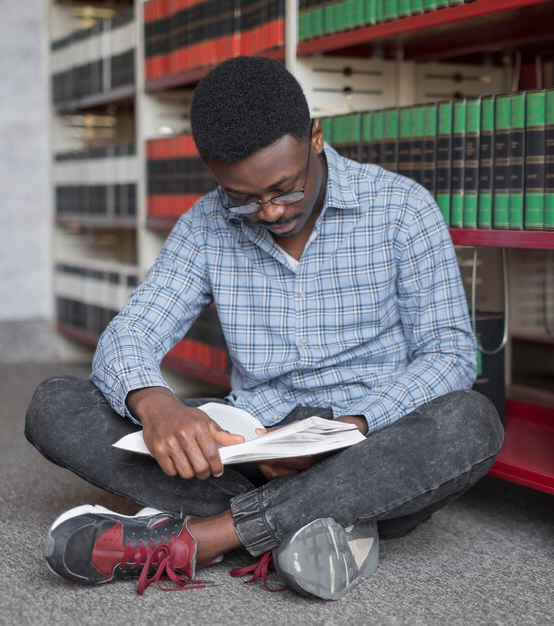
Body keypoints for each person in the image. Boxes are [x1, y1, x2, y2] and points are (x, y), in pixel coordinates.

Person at [25, 56, 503, 601]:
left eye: (286, 188)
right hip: (250, 453)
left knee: (471, 421)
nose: (272, 212)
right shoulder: (204, 225)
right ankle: (318, 523)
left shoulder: (401, 209)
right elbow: (131, 332)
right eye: (244, 198)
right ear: (214, 173)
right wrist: (155, 403)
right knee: (55, 405)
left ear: (316, 138)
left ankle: (208, 536)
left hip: (367, 449)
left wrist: (345, 430)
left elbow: (450, 353)